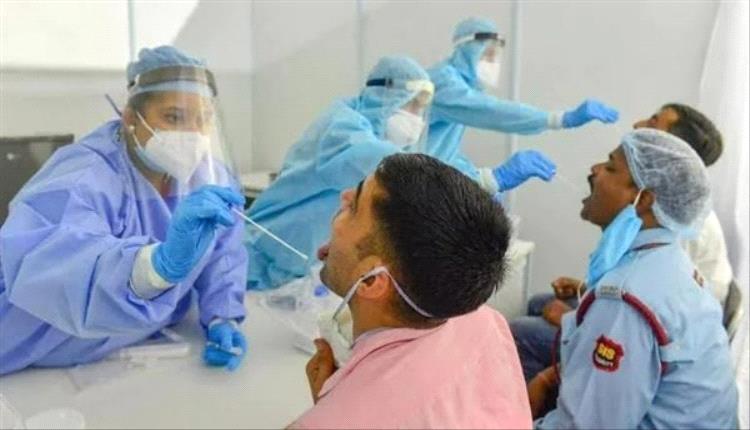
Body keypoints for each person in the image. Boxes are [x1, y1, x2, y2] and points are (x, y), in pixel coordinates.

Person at [0, 46, 248, 375]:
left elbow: (223, 252)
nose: (192, 134)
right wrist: (155, 267)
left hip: (129, 346)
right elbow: (51, 264)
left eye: (202, 120)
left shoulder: (207, 176)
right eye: (173, 117)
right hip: (38, 347)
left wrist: (223, 315)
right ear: (130, 117)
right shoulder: (83, 176)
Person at [245, 55, 554, 291]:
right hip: (269, 252)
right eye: (411, 107)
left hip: (307, 267)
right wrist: (484, 181)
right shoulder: (343, 127)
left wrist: (476, 184)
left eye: (422, 111)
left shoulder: (376, 135)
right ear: (384, 95)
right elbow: (398, 170)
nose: (417, 120)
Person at [288, 153, 530, 428]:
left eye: (354, 206)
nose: (344, 195)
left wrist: (335, 409)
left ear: (370, 281)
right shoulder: (486, 322)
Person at [510, 103, 734, 381]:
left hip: (667, 340)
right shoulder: (660, 232)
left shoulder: (682, 229)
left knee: (520, 332)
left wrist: (567, 331)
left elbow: (638, 313)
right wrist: (586, 291)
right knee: (539, 304)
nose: (639, 125)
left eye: (653, 124)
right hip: (662, 330)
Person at [426, 17, 619, 190]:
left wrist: (481, 179)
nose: (493, 63)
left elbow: (442, 154)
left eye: (496, 57)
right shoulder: (443, 82)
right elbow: (492, 112)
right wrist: (559, 119)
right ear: (467, 50)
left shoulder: (460, 86)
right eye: (488, 55)